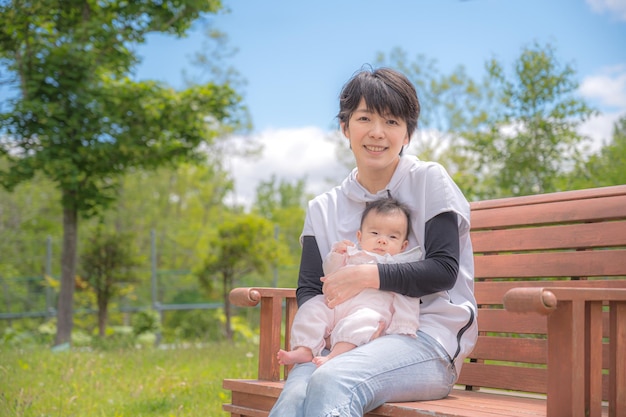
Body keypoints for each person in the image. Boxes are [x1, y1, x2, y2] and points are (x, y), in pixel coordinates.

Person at [267, 66, 477, 417]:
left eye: (392, 122)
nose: (378, 133)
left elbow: (443, 270)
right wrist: (340, 326)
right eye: (365, 118)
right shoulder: (323, 208)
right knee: (292, 401)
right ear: (345, 128)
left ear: (407, 134)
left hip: (425, 343)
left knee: (332, 381)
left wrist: (367, 276)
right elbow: (308, 289)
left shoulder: (429, 181)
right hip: (340, 343)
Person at [277, 197, 423, 367]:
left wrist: (404, 326)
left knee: (362, 322)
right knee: (313, 306)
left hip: (369, 310)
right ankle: (304, 347)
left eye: (392, 236)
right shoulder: (352, 254)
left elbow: (407, 298)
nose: (382, 240)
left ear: (403, 246)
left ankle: (335, 355)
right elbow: (331, 273)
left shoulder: (397, 266)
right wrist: (337, 255)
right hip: (335, 307)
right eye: (375, 233)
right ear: (359, 237)